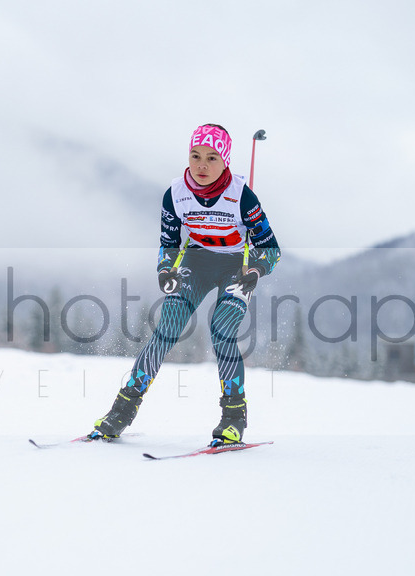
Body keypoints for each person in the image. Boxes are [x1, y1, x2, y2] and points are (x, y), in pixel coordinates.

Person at [91, 123, 280, 444]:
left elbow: (270, 249)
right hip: (196, 263)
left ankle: (233, 418)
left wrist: (257, 271)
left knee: (222, 331)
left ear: (225, 162)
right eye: (195, 156)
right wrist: (166, 269)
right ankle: (120, 412)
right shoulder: (176, 194)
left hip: (237, 268)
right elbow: (169, 242)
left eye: (211, 158)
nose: (202, 165)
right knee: (166, 331)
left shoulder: (242, 196)